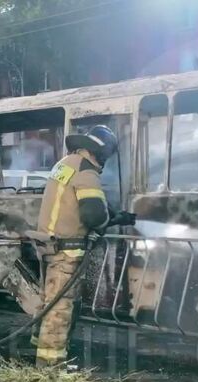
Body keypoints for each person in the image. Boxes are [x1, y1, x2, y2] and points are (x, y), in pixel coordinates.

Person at [34, 125, 135, 366]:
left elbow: (84, 202)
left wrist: (113, 214)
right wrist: (110, 219)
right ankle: (50, 368)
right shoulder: (87, 172)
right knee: (61, 308)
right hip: (66, 250)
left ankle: (43, 357)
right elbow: (93, 215)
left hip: (51, 245)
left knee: (50, 304)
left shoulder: (66, 164)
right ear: (102, 152)